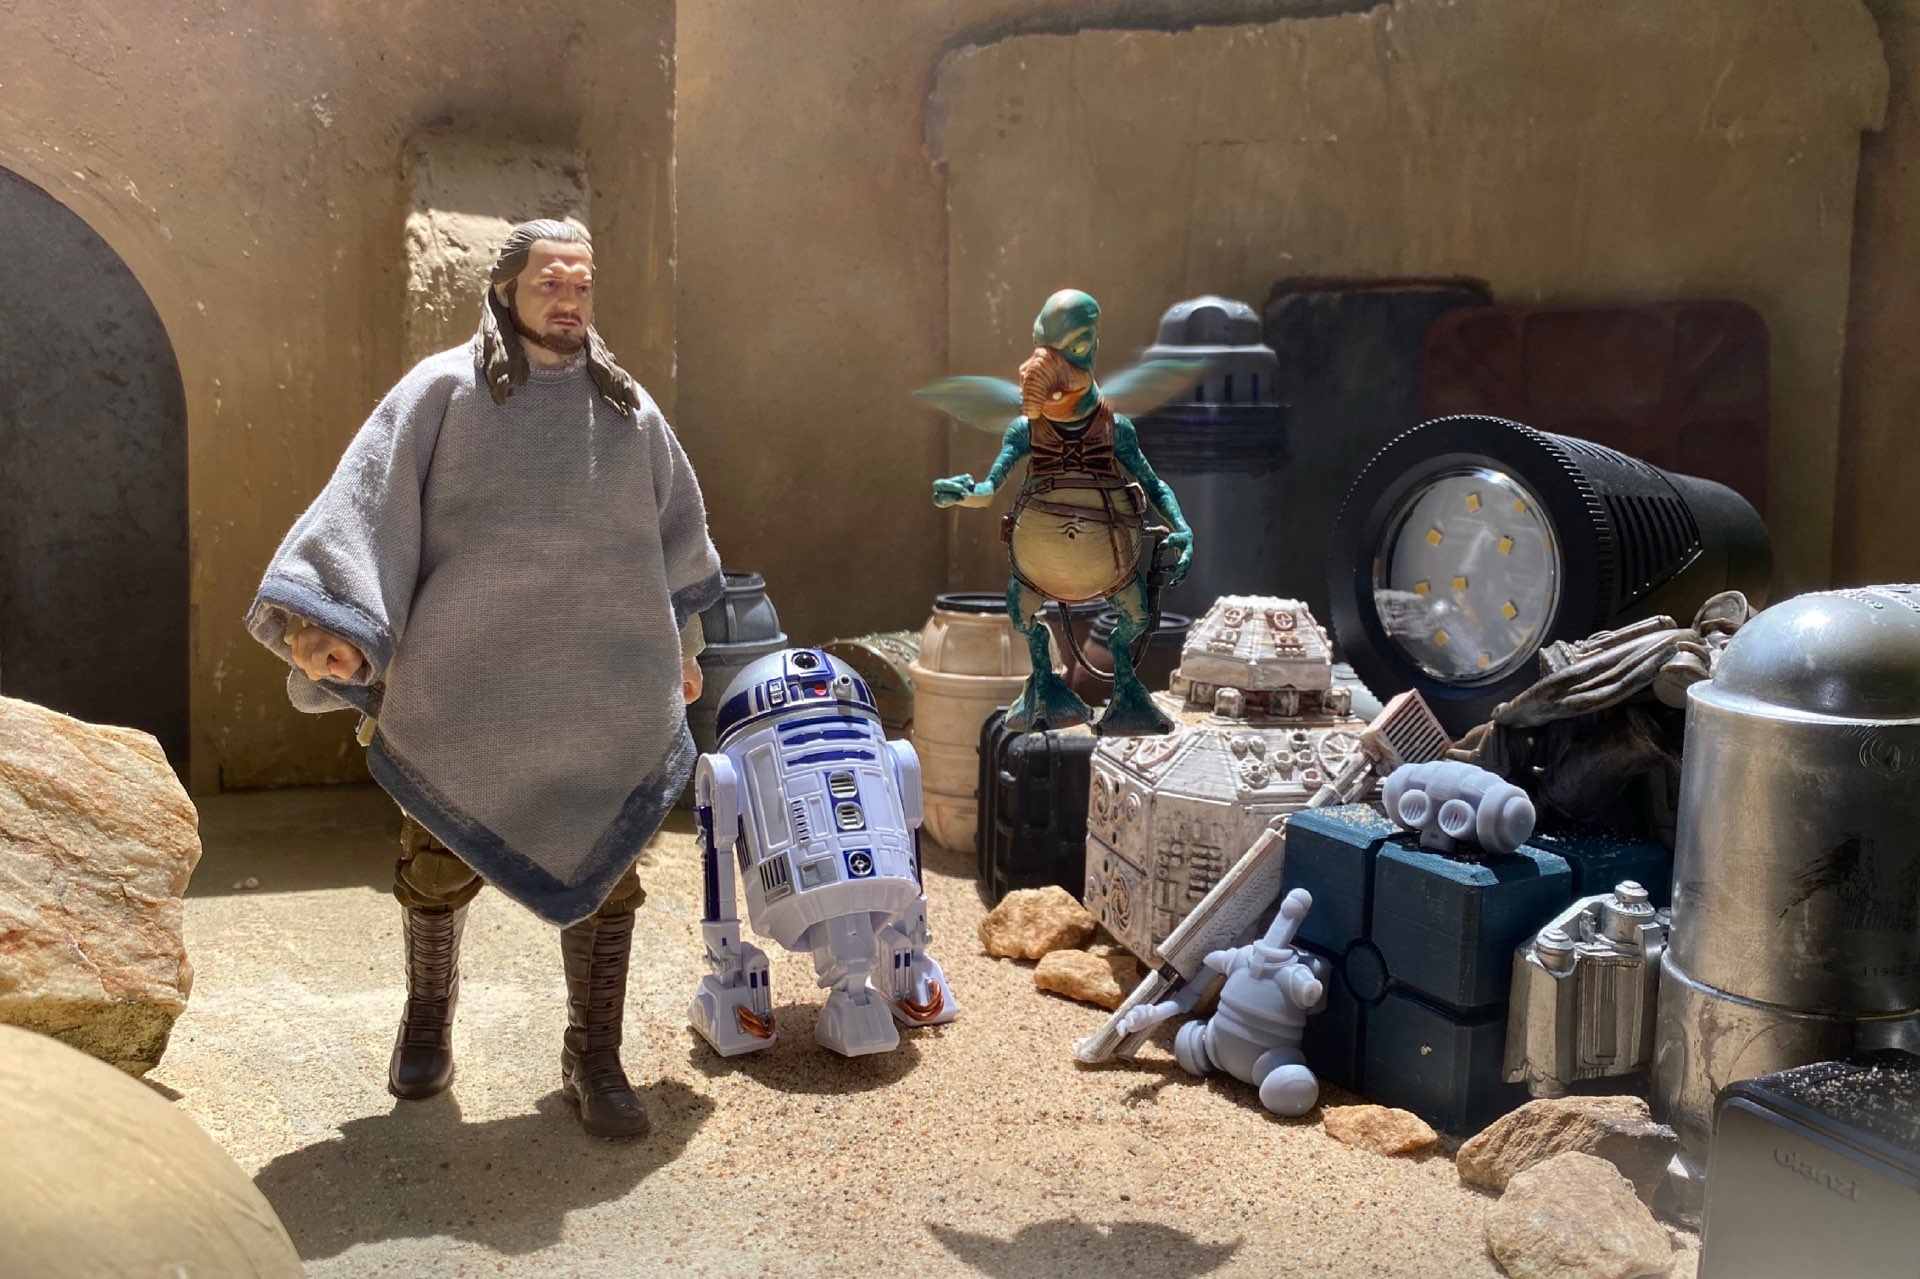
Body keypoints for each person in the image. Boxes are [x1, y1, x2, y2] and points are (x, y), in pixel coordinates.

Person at [246, 219, 724, 1138]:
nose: (569, 300)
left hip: (601, 688)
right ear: (507, 289)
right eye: (550, 283)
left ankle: (594, 1052)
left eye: (581, 284)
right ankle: (428, 1017)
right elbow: (366, 506)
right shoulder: (441, 392)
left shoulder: (628, 411)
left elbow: (676, 536)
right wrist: (333, 624)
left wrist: (686, 645)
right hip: (461, 686)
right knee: (434, 864)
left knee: (609, 872)